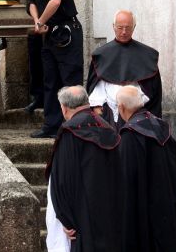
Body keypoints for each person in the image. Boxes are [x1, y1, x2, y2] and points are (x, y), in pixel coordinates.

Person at [45, 86, 121, 252]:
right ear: (87, 102)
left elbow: (63, 179)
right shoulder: (108, 128)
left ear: (64, 108)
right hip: (109, 214)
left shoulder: (70, 132)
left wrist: (65, 219)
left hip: (79, 219)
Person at [117, 86, 176, 252]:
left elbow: (125, 181)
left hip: (143, 209)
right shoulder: (162, 127)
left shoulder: (130, 136)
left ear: (121, 108)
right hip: (167, 205)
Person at [26, 0, 83, 138]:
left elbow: (56, 1)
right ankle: (51, 126)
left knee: (70, 81)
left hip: (65, 33)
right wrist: (37, 21)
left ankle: (75, 126)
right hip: (48, 35)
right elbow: (31, 2)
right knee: (50, 81)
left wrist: (41, 21)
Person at [86, 10, 162, 125]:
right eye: (120, 27)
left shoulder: (147, 55)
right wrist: (97, 104)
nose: (124, 32)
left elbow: (151, 89)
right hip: (108, 113)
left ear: (134, 27)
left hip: (138, 111)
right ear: (113, 27)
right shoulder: (101, 55)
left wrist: (134, 104)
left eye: (128, 28)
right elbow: (97, 85)